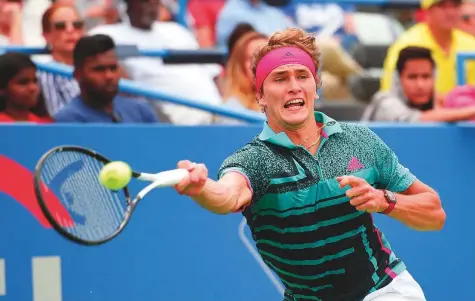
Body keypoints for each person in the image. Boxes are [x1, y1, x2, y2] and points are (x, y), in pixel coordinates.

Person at [173, 28, 446, 301]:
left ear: (315, 88)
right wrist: (201, 187)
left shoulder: (360, 141)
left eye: (302, 76)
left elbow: (434, 212)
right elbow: (227, 195)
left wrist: (383, 200)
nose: (294, 86)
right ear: (261, 97)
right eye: (280, 78)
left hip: (383, 290)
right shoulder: (255, 159)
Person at [54, 34, 159, 123]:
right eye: (99, 69)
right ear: (77, 75)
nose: (109, 76)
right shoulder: (67, 121)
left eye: (113, 68)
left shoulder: (141, 111)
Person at [363, 46, 475, 122]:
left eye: (426, 77)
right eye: (412, 77)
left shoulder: (439, 101)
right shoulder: (385, 102)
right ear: (398, 79)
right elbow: (415, 120)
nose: (420, 85)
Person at [0, 52, 52, 123]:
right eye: (23, 83)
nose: (33, 88)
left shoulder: (45, 123)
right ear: (2, 88)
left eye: (35, 81)